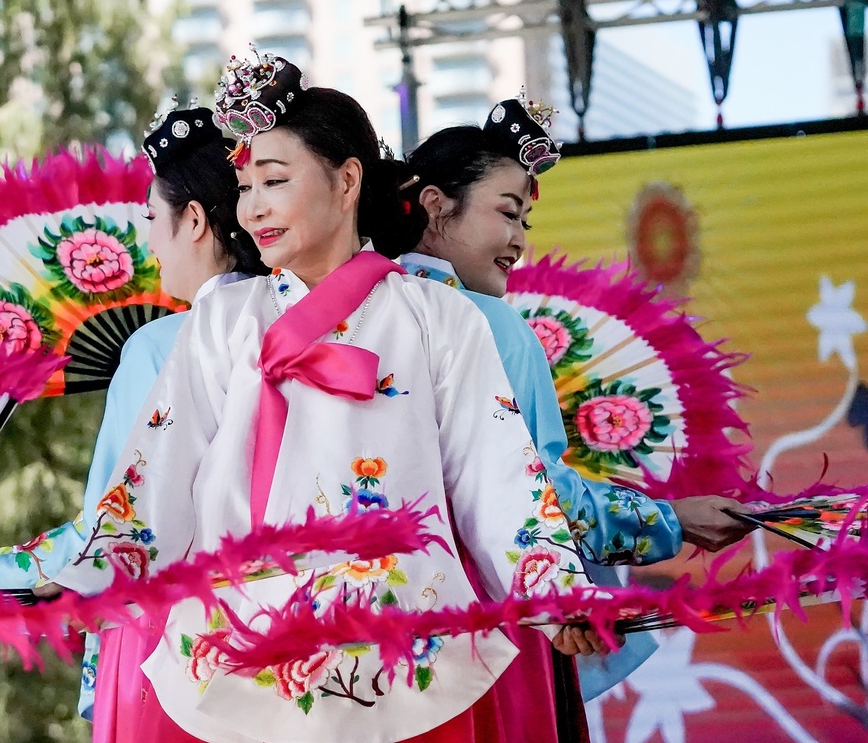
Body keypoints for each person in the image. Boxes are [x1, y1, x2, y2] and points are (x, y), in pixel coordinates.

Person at [41, 50, 595, 742]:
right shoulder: (219, 320)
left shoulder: (440, 319)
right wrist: (92, 567)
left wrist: (552, 586)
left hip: (398, 637)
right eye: (245, 187)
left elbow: (498, 472)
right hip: (238, 635)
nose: (253, 207)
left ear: (346, 181)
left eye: (274, 180)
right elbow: (159, 468)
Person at [0, 102, 267, 731]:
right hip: (284, 635)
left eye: (153, 219)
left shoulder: (163, 346)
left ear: (194, 220)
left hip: (167, 642)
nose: (148, 240)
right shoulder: (299, 329)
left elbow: (112, 527)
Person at [398, 95, 753, 728]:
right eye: (508, 213)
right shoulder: (491, 327)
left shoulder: (356, 319)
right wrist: (671, 520)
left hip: (392, 642)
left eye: (526, 223)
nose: (519, 242)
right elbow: (538, 497)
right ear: (433, 204)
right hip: (501, 632)